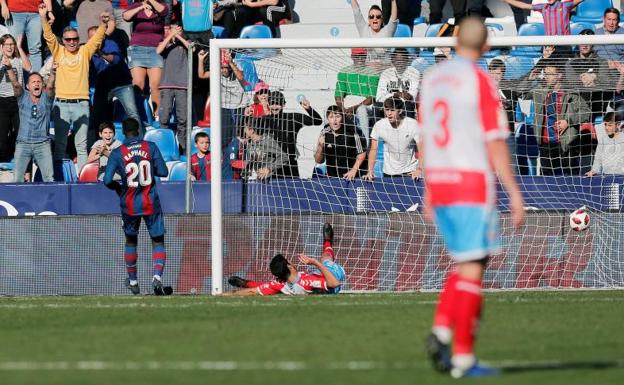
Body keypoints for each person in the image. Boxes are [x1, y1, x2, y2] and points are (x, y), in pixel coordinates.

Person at [418, 17, 524, 378]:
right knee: (475, 268)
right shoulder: (480, 80)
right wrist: (513, 192)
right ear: (487, 47)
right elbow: (494, 140)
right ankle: (463, 360)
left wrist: (429, 188)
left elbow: (427, 136)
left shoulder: (432, 80)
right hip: (469, 183)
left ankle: (441, 331)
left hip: (441, 181)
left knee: (467, 265)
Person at [41, 4, 108, 179]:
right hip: (61, 104)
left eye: (74, 39)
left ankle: (82, 180)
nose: (72, 42)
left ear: (79, 39)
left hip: (82, 103)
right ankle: (58, 178)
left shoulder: (85, 51)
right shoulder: (59, 51)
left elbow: (97, 39)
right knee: (60, 145)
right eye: (68, 39)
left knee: (81, 145)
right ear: (63, 40)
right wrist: (43, 17)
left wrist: (103, 24)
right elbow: (48, 36)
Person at [103, 117, 169, 296]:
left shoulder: (118, 153)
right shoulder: (151, 147)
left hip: (129, 204)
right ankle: (157, 276)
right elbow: (164, 171)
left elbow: (107, 180)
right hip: (150, 201)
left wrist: (119, 186)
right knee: (157, 240)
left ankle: (133, 281)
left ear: (122, 133)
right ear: (139, 130)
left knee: (131, 240)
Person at [226, 223, 346, 296]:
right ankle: (327, 242)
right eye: (289, 261)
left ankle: (246, 283)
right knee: (326, 258)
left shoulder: (280, 284)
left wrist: (224, 294)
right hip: (333, 275)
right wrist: (315, 262)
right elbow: (335, 284)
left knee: (272, 288)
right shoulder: (307, 281)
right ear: (289, 266)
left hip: (300, 284)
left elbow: (254, 291)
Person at [521, 59, 591, 175]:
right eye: (545, 73)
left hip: (566, 143)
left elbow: (586, 112)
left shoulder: (570, 93)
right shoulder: (539, 91)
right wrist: (529, 78)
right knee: (546, 182)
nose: (546, 76)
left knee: (569, 180)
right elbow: (521, 93)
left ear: (559, 75)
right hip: (546, 144)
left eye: (550, 74)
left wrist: (568, 122)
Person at [88, 25, 141, 147]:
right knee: (97, 114)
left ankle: (138, 142)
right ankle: (98, 144)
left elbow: (115, 59)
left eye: (98, 37)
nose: (95, 40)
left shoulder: (111, 44)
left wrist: (100, 53)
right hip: (103, 86)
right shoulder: (87, 50)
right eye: (92, 38)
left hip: (121, 84)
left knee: (132, 112)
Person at [259, 90, 323, 178]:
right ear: (268, 105)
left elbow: (318, 121)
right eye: (272, 103)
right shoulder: (264, 120)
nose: (274, 106)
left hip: (290, 164)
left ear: (283, 104)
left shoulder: (292, 118)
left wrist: (308, 108)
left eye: (277, 103)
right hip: (272, 164)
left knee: (292, 191)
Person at [123, 0, 169, 120]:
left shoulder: (161, 5)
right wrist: (141, 8)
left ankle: (157, 116)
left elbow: (163, 11)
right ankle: (137, 115)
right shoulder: (136, 6)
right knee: (138, 84)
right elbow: (126, 16)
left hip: (156, 49)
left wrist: (152, 2)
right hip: (137, 49)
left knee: (155, 85)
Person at [198, 49, 249, 148]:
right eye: (222, 67)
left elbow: (241, 77)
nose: (224, 70)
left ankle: (238, 155)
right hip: (224, 106)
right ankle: (225, 157)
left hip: (239, 106)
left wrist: (230, 62)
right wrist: (200, 60)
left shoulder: (236, 69)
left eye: (226, 67)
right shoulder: (217, 72)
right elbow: (202, 75)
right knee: (224, 137)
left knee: (237, 136)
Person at [13, 69, 56, 182]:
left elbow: (51, 87)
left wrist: (53, 73)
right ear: (27, 86)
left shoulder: (46, 99)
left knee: (49, 179)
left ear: (42, 85)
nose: (36, 84)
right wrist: (8, 69)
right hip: (23, 143)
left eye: (39, 82)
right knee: (17, 179)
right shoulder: (23, 97)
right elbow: (16, 85)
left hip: (42, 144)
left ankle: (51, 200)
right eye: (33, 82)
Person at [363, 97, 421, 180]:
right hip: (389, 172)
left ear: (400, 111)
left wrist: (419, 169)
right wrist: (370, 171)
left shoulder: (412, 124)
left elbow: (422, 150)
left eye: (392, 110)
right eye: (387, 110)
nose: (389, 113)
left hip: (409, 171)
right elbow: (373, 150)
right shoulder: (379, 125)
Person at [334, 48, 381, 144]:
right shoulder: (344, 71)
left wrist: (352, 109)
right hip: (347, 106)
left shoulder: (373, 73)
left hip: (364, 105)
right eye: (357, 56)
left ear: (366, 56)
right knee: (329, 110)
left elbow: (372, 97)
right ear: (352, 57)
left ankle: (366, 144)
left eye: (362, 56)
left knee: (361, 110)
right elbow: (338, 95)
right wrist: (342, 110)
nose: (360, 58)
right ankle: (331, 144)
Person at [156, 24, 191, 151]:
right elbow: (158, 51)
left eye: (179, 29)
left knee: (183, 119)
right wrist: (171, 35)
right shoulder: (165, 44)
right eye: (173, 28)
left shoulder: (186, 42)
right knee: (164, 116)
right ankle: (164, 145)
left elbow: (191, 48)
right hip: (166, 84)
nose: (177, 31)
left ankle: (183, 146)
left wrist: (178, 37)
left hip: (182, 85)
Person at [314, 105, 367, 180]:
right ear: (328, 119)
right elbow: (318, 161)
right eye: (331, 117)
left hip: (354, 177)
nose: (334, 120)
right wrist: (320, 146)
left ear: (342, 118)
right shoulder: (324, 132)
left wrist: (353, 171)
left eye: (338, 117)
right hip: (333, 179)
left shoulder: (353, 131)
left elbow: (362, 153)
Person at [0, 33, 30, 162]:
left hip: (18, 102)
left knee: (20, 134)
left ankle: (19, 160)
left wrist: (19, 47)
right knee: (2, 136)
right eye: (7, 44)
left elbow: (28, 67)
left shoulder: (17, 60)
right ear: (1, 46)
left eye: (12, 44)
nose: (10, 47)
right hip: (3, 101)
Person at [0, 0, 51, 71]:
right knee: (11, 47)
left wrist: (50, 11)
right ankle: (13, 79)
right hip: (14, 11)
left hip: (36, 12)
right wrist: (3, 4)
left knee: (35, 49)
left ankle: (35, 79)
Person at [376, 48, 420, 119]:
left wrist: (394, 96)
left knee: (407, 106)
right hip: (388, 102)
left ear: (407, 60)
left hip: (404, 104)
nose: (400, 62)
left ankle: (409, 129)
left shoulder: (414, 73)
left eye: (402, 60)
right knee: (376, 106)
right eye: (397, 60)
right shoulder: (386, 73)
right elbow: (379, 97)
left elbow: (411, 96)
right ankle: (378, 129)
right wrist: (396, 94)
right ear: (392, 61)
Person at [502, 0, 585, 36]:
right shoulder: (543, 7)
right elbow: (523, 5)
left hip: (564, 44)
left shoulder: (565, 5)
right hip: (549, 45)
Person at [241, 116, 286, 180]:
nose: (243, 130)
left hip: (271, 180)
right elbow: (251, 161)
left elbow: (284, 157)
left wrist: (269, 168)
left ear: (251, 129)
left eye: (244, 128)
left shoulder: (268, 141)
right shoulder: (249, 143)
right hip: (256, 180)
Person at [586, 111, 624, 176]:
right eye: (605, 125)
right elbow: (598, 158)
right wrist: (594, 170)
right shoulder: (602, 140)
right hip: (607, 175)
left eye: (610, 125)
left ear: (618, 124)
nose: (606, 128)